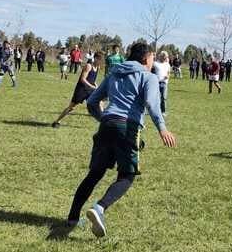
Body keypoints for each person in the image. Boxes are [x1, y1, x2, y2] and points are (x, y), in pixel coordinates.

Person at [65, 42, 177, 237]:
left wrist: (105, 119)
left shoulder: (114, 72)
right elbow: (152, 104)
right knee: (127, 175)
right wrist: (163, 129)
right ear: (145, 59)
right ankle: (99, 208)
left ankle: (72, 218)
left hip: (107, 124)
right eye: (152, 58)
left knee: (95, 173)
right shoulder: (148, 77)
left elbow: (92, 102)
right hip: (128, 127)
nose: (153, 62)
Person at [52, 52, 103, 128]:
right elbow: (83, 79)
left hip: (89, 90)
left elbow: (92, 79)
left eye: (102, 60)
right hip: (81, 90)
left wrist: (96, 86)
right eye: (100, 59)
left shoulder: (97, 67)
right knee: (71, 108)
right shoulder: (89, 66)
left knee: (100, 102)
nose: (101, 61)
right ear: (95, 58)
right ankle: (57, 121)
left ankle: (104, 122)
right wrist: (92, 87)